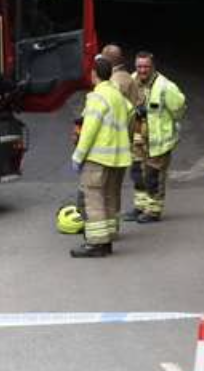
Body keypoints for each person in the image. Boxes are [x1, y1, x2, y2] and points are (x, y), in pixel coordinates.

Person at [70, 56, 131, 257]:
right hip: (118, 158)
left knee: (94, 198)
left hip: (98, 158)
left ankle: (96, 244)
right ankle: (108, 238)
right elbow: (131, 114)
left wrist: (78, 155)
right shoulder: (117, 95)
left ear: (94, 74)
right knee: (110, 197)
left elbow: (89, 129)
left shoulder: (97, 96)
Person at [126, 51, 186, 223]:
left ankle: (153, 211)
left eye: (146, 66)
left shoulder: (165, 86)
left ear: (153, 66)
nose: (142, 70)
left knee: (153, 176)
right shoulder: (132, 80)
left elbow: (179, 109)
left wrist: (167, 124)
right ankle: (140, 206)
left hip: (158, 143)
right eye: (139, 66)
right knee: (138, 174)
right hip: (137, 139)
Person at [99, 44, 140, 239]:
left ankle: (106, 228)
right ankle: (112, 226)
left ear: (107, 60)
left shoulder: (114, 83)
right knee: (115, 187)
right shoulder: (129, 78)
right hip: (124, 141)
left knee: (105, 188)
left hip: (112, 143)